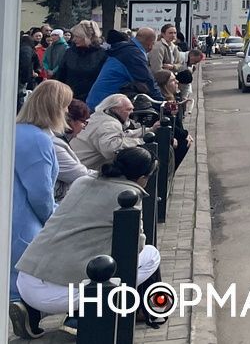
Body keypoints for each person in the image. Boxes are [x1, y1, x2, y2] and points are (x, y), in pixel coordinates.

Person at [15, 147, 164, 332]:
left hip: (25, 278)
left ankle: (35, 312)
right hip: (58, 294)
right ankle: (91, 316)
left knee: (90, 258)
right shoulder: (129, 195)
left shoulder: (82, 181)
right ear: (143, 177)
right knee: (150, 255)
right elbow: (135, 248)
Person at [9, 80, 72, 338]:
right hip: (25, 220)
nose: (67, 112)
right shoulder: (39, 140)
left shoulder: (15, 131)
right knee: (35, 272)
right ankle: (30, 316)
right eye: (65, 106)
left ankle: (25, 313)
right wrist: (54, 221)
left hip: (12, 213)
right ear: (54, 108)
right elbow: (40, 192)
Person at [85, 29, 163, 110]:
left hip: (98, 100)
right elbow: (147, 81)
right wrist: (162, 105)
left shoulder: (126, 49)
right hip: (105, 105)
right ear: (151, 43)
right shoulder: (133, 54)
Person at [72, 93, 148, 170]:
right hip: (84, 171)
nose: (132, 113)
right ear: (114, 109)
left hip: (78, 165)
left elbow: (122, 136)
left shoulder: (98, 117)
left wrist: (149, 130)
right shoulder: (109, 124)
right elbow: (111, 150)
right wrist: (141, 141)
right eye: (128, 109)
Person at [54, 100, 97, 201]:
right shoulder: (55, 143)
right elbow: (79, 175)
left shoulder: (61, 140)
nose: (84, 127)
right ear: (69, 120)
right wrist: (109, 174)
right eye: (83, 122)